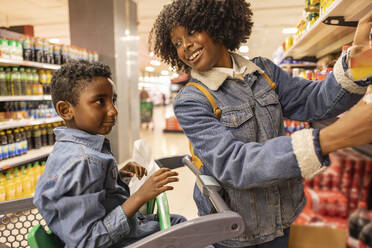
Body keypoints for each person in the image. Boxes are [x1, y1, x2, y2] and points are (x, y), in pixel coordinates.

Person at [149, 0, 372, 247]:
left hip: (285, 215)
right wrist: (332, 138)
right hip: (239, 233)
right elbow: (235, 164)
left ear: (215, 25)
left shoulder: (263, 71)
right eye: (177, 42)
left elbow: (316, 101)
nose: (185, 46)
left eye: (191, 32)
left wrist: (360, 62)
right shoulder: (191, 100)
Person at [33, 60, 185, 247]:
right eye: (100, 101)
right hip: (119, 241)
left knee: (180, 223)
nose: (113, 111)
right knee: (188, 231)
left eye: (113, 100)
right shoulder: (82, 161)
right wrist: (139, 197)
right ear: (66, 110)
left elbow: (89, 192)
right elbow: (87, 242)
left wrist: (115, 175)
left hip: (128, 230)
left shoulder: (71, 149)